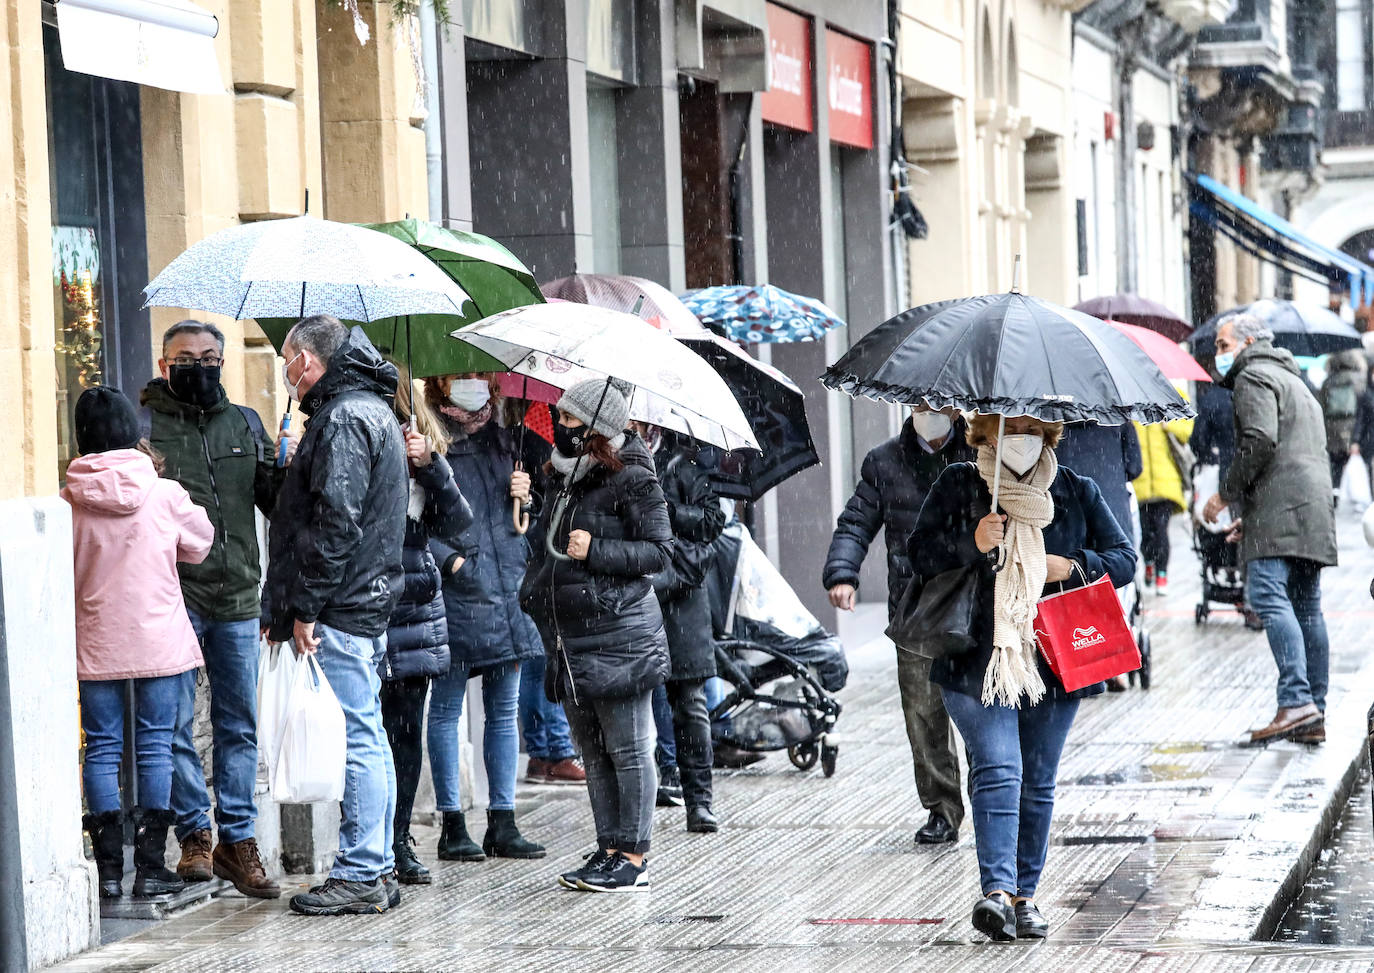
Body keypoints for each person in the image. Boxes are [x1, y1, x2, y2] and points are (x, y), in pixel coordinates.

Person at [907, 412, 1134, 942]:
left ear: (1050, 437)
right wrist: (973, 540)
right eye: (1012, 432)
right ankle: (997, 894)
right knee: (999, 765)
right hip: (974, 659)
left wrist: (1073, 566)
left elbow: (1124, 559)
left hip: (1053, 661)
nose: (1024, 443)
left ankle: (1026, 898)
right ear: (986, 435)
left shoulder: (1075, 490)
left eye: (1035, 432)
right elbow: (918, 553)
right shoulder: (961, 484)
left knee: (1037, 780)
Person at [264, 316, 408, 916]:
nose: (287, 375)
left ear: (307, 361)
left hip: (344, 606)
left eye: (288, 363)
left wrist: (307, 607)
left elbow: (336, 522)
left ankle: (361, 870)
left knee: (358, 738)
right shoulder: (363, 409)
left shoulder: (347, 417)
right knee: (367, 733)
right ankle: (377, 862)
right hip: (361, 598)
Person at [140, 319, 287, 899]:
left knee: (237, 724)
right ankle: (195, 834)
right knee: (173, 723)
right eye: (185, 357)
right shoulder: (146, 430)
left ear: (222, 363)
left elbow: (276, 504)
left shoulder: (246, 423)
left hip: (237, 596)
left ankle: (238, 840)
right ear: (163, 364)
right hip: (171, 598)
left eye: (208, 357)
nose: (197, 366)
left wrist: (287, 466)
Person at [520, 379, 672, 893]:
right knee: (594, 751)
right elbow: (548, 549)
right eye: (558, 417)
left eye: (569, 420)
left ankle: (634, 855)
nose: (559, 428)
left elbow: (659, 554)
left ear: (598, 428)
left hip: (619, 635)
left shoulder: (633, 476)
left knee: (628, 748)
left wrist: (599, 550)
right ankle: (609, 848)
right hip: (571, 638)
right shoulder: (565, 476)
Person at [66, 386, 214, 899]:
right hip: (158, 640)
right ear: (134, 434)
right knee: (155, 747)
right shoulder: (165, 494)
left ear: (82, 438)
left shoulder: (69, 501)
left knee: (102, 749)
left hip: (95, 641)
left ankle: (108, 871)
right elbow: (200, 545)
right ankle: (151, 867)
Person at [822, 405, 972, 846]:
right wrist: (842, 573)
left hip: (972, 601)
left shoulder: (982, 452)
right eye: (923, 406)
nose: (932, 413)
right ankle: (942, 809)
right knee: (924, 714)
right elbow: (856, 522)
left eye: (940, 405)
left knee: (983, 715)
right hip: (915, 608)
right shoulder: (884, 461)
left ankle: (993, 804)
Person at [422, 374, 549, 862]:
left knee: (503, 711)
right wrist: (451, 561)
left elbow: (525, 524)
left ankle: (503, 820)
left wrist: (527, 493)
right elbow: (408, 519)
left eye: (480, 375)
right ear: (441, 383)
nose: (473, 384)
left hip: (508, 591)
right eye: (462, 376)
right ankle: (452, 824)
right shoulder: (428, 441)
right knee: (447, 709)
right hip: (458, 593)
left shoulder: (508, 441)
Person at [1204, 314, 1337, 745]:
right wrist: (1255, 513)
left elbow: (1260, 441)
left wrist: (1225, 495)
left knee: (1266, 596)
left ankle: (1297, 702)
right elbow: (1295, 455)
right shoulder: (1296, 382)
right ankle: (1313, 708)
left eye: (1223, 345)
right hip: (1310, 508)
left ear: (1246, 343)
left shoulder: (1254, 377)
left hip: (1283, 506)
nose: (1219, 355)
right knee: (1307, 607)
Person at [379, 367, 472, 885]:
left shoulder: (423, 449)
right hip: (365, 604)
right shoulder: (351, 437)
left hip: (412, 608)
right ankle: (373, 840)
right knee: (370, 735)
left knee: (406, 731)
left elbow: (457, 522)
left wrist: (429, 466)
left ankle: (398, 840)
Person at [633, 422, 726, 834]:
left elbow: (710, 525)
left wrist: (668, 511)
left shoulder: (688, 461)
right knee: (628, 704)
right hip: (631, 598)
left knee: (690, 705)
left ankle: (699, 800)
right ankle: (631, 814)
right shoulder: (617, 461)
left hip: (682, 604)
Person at [1132, 397, 1193, 593]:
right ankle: (1149, 562)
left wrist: (1170, 424)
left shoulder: (1170, 395)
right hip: (1140, 482)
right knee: (1145, 532)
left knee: (1160, 530)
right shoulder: (1130, 399)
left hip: (1165, 481)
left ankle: (1162, 574)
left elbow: (1187, 429)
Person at [1319, 349, 1366, 489]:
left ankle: (1335, 492)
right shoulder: (1360, 379)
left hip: (1332, 431)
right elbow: (1365, 407)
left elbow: (1321, 406)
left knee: (1335, 466)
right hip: (1354, 429)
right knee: (1358, 465)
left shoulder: (1328, 381)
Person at [1350, 362, 1374, 484]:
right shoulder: (1366, 394)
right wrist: (1355, 440)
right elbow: (1360, 419)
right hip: (1369, 439)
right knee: (1368, 470)